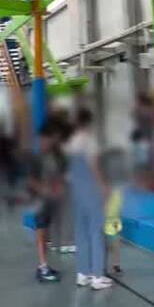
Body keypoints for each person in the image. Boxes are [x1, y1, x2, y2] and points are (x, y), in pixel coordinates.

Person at [65, 109, 111, 290]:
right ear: (89, 123)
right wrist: (103, 186)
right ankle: (97, 276)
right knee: (95, 231)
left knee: (80, 232)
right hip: (90, 191)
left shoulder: (71, 142)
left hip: (75, 192)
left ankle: (82, 274)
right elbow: (93, 166)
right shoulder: (89, 140)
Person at [28, 123, 63, 283]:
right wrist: (44, 190)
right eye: (47, 138)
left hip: (50, 200)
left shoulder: (53, 157)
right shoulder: (37, 159)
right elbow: (31, 181)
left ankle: (44, 265)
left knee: (46, 233)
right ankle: (42, 268)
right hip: (40, 201)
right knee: (41, 232)